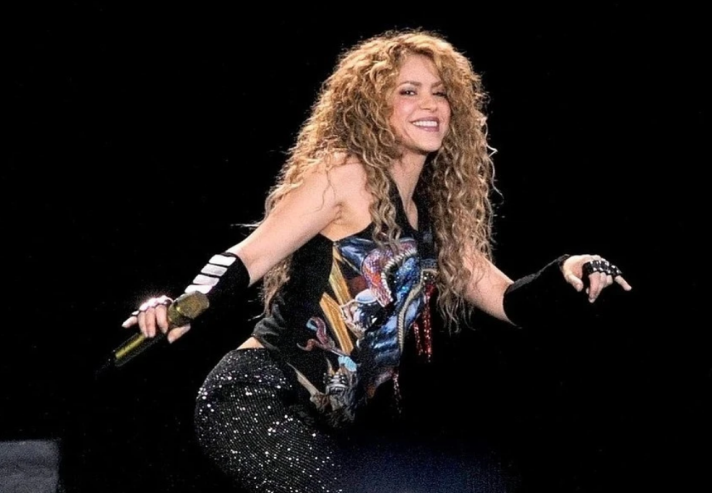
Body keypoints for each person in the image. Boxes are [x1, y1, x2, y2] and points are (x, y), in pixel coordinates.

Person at [121, 28, 632, 493]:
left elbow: (507, 298)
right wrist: (185, 305)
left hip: (322, 426)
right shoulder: (345, 177)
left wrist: (566, 270)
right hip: (255, 397)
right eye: (408, 91)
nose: (429, 104)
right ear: (372, 108)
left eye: (439, 92)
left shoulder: (433, 224)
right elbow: (249, 256)